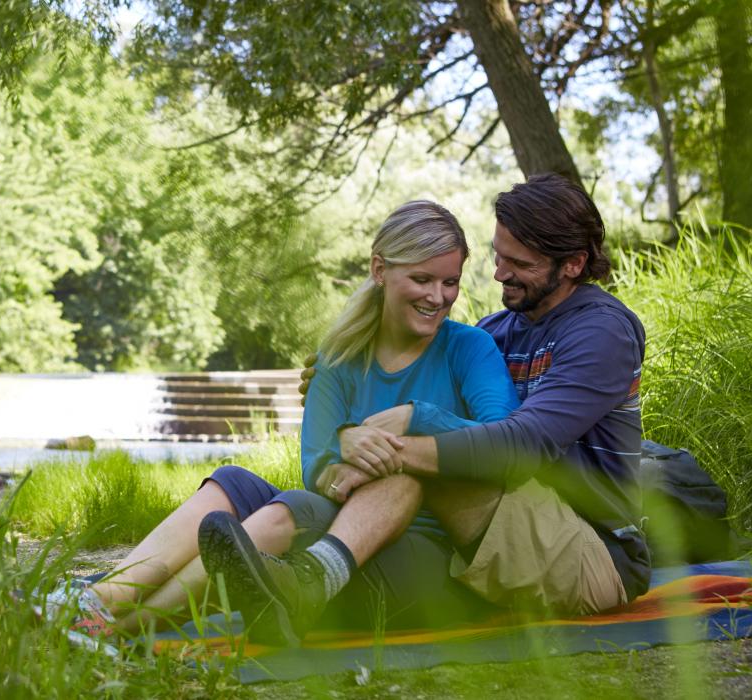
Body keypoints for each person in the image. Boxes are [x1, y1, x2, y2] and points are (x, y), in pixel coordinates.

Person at [199, 173, 652, 646]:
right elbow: (452, 402)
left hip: (590, 550)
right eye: (498, 255)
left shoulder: (601, 333)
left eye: (520, 263)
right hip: (506, 525)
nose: (499, 273)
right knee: (267, 495)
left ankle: (310, 577)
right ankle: (257, 585)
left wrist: (411, 422)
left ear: (574, 264)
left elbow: (523, 446)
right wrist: (339, 401)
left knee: (422, 458)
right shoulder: (500, 329)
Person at [43, 200, 518, 642]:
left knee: (308, 504)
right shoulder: (340, 358)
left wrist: (416, 420)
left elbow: (504, 444)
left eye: (450, 282)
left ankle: (128, 625)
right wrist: (347, 460)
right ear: (380, 269)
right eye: (422, 280)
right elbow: (318, 471)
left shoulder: (468, 348)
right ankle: (104, 597)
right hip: (343, 533)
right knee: (232, 483)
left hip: (423, 561)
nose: (439, 297)